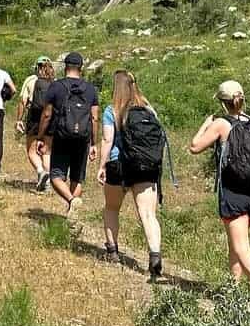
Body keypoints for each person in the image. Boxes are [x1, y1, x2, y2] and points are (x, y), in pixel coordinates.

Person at [188, 79, 250, 289]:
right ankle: (232, 291)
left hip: (234, 191)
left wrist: (206, 124)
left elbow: (195, 147)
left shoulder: (222, 124)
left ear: (223, 103)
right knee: (235, 242)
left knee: (241, 247)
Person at [97, 69, 166, 279]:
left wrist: (101, 166)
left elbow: (108, 141)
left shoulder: (112, 110)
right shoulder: (148, 109)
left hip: (118, 165)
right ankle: (155, 256)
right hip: (145, 166)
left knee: (111, 208)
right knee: (148, 214)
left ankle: (113, 252)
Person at [34, 51, 98, 216]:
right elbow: (95, 118)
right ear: (81, 68)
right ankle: (72, 213)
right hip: (83, 138)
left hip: (62, 136)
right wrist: (94, 143)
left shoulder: (56, 86)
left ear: (65, 67)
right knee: (77, 178)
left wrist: (40, 137)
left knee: (56, 176)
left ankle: (71, 202)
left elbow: (47, 114)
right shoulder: (90, 89)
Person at [16, 56, 55, 191]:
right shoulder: (54, 82)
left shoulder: (31, 80)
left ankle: (40, 171)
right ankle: (48, 181)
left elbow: (23, 101)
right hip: (50, 119)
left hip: (34, 118)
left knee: (32, 151)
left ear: (37, 67)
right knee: (46, 151)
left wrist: (19, 119)